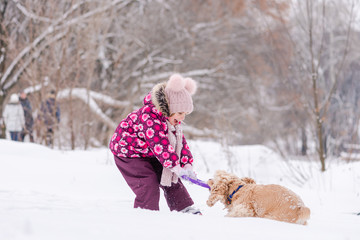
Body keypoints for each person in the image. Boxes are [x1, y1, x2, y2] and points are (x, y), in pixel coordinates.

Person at [109, 73, 201, 214]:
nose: (182, 117)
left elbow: (180, 144)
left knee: (170, 177)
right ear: (169, 108)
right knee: (148, 183)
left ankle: (184, 208)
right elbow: (162, 147)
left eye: (185, 114)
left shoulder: (171, 120)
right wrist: (177, 167)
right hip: (129, 154)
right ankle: (146, 213)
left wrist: (186, 165)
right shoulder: (149, 117)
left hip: (150, 152)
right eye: (180, 112)